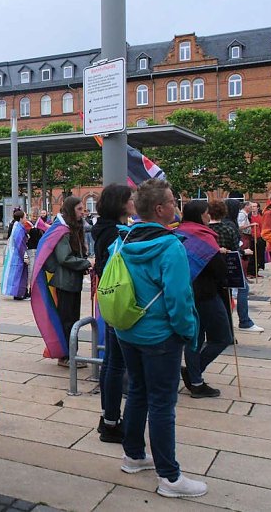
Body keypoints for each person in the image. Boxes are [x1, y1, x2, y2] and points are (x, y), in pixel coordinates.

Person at [111, 179, 207, 498]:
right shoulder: (170, 246)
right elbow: (180, 300)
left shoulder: (121, 241)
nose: (176, 207)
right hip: (160, 337)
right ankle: (170, 477)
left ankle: (134, 455)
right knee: (163, 403)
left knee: (138, 390)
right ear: (159, 209)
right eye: (172, 201)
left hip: (127, 330)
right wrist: (188, 333)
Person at [92, 184, 134, 443]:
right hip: (121, 300)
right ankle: (110, 422)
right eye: (130, 199)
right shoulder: (119, 234)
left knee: (111, 363)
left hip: (108, 298)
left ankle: (108, 418)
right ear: (120, 204)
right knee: (116, 364)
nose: (134, 202)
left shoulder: (102, 230)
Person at [178, 201, 231, 399]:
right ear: (200, 215)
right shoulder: (203, 236)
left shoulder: (179, 233)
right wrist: (222, 256)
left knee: (194, 339)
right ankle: (195, 375)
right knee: (222, 337)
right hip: (206, 294)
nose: (209, 217)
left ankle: (196, 380)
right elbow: (220, 270)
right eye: (207, 213)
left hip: (185, 294)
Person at [44, 197, 91, 368]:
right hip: (66, 282)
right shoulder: (63, 230)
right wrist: (86, 263)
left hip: (70, 280)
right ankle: (66, 356)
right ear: (71, 210)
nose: (83, 212)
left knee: (71, 319)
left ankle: (70, 354)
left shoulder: (69, 228)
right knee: (68, 320)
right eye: (79, 209)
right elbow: (64, 258)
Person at [216, 200, 264, 333]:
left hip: (220, 261)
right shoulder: (230, 225)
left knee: (227, 292)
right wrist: (243, 252)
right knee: (242, 288)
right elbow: (234, 245)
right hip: (231, 261)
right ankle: (244, 321)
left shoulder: (221, 223)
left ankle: (227, 322)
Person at [0, 209, 30, 301]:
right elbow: (20, 244)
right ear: (21, 218)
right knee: (19, 276)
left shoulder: (17, 226)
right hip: (17, 256)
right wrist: (25, 255)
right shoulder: (19, 229)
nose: (26, 218)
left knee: (18, 275)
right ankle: (19, 294)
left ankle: (20, 293)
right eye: (25, 217)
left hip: (16, 255)